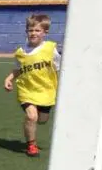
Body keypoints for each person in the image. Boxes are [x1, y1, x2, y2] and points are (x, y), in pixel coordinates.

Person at [4, 13, 61, 158]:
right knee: (32, 117)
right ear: (26, 31)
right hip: (27, 90)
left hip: (46, 91)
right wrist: (9, 78)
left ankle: (33, 130)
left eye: (37, 30)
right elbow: (18, 69)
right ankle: (31, 145)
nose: (33, 33)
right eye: (30, 30)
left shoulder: (50, 49)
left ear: (45, 32)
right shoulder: (21, 52)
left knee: (42, 120)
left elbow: (60, 68)